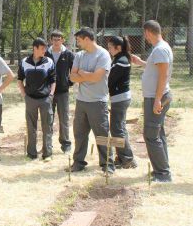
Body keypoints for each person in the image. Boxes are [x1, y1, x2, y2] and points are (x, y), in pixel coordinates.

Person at [131, 20, 173, 182]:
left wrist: (157, 100)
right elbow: (155, 67)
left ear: (148, 32)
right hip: (155, 97)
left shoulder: (161, 49)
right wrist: (141, 62)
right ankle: (163, 168)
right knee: (158, 133)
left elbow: (163, 75)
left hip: (156, 98)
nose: (145, 37)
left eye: (145, 34)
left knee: (151, 135)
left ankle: (162, 173)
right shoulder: (161, 48)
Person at [68, 28, 114, 173]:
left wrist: (82, 75)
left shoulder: (103, 54)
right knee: (79, 134)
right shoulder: (79, 55)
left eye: (79, 40)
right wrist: (87, 75)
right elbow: (72, 77)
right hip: (81, 101)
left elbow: (97, 78)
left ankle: (107, 164)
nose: (78, 43)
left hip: (98, 102)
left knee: (102, 134)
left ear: (87, 39)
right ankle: (78, 163)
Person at [18, 38, 56, 162]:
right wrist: (24, 94)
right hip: (30, 99)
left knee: (47, 127)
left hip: (45, 99)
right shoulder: (24, 61)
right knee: (31, 127)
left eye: (45, 48)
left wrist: (51, 95)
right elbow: (19, 79)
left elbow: (53, 80)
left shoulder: (49, 61)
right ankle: (32, 154)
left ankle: (47, 154)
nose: (45, 50)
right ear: (35, 48)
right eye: (42, 48)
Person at [107, 36, 137, 169]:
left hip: (120, 98)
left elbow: (110, 80)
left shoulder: (121, 61)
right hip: (118, 98)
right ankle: (122, 157)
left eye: (110, 48)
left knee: (117, 129)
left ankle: (127, 159)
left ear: (118, 48)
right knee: (118, 129)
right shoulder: (119, 59)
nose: (109, 50)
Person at [45, 30, 75, 153]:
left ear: (63, 40)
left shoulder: (68, 54)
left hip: (63, 92)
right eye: (54, 39)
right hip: (48, 92)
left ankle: (66, 145)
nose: (56, 41)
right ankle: (47, 146)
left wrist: (69, 82)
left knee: (64, 118)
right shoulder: (46, 53)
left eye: (59, 39)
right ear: (50, 40)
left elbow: (74, 70)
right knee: (48, 119)